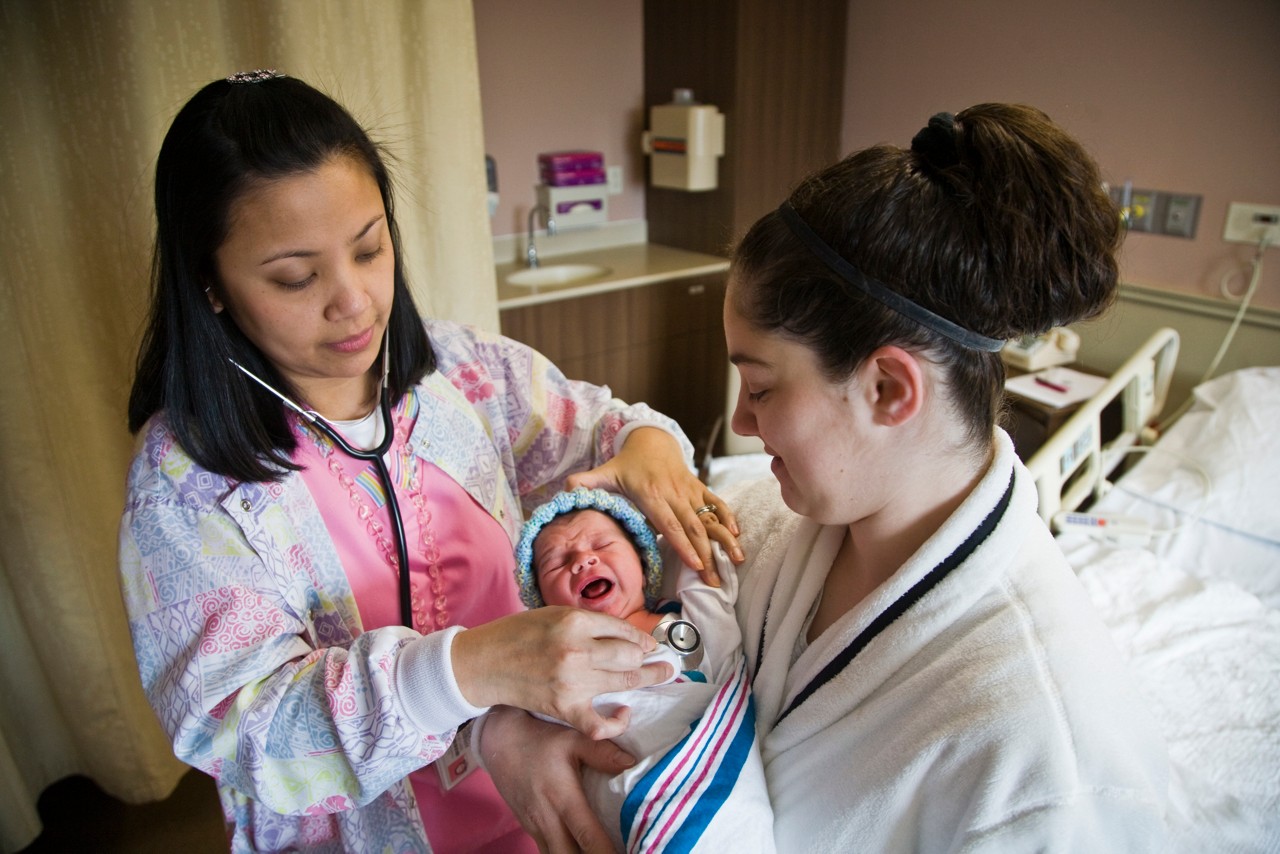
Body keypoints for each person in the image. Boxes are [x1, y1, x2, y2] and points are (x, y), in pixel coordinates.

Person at [486, 104, 1170, 851]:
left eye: (764, 387)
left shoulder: (1045, 767)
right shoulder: (758, 528)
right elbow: (582, 649)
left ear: (887, 389)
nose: (741, 424)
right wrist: (512, 733)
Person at [117, 70, 740, 854]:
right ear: (209, 283)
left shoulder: (463, 372)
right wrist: (473, 676)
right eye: (295, 277)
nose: (354, 302)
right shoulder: (185, 488)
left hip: (552, 786)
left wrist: (645, 449)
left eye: (370, 248)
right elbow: (248, 732)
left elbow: (614, 428)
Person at [510, 487, 774, 853]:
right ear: (542, 605)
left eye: (601, 546)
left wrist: (694, 533)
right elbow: (518, 698)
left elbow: (708, 587)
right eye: (557, 562)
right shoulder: (553, 659)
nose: (583, 561)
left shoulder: (679, 624)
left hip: (705, 778)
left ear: (642, 561)